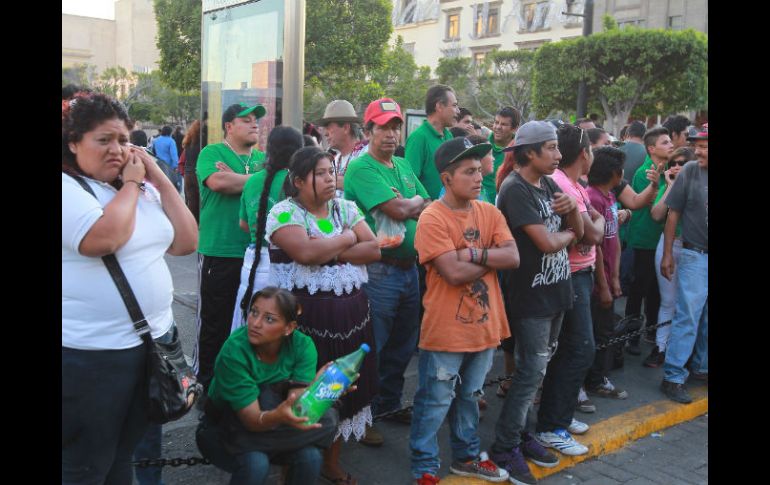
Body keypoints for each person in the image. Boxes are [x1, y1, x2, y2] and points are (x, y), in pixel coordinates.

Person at [62, 92, 198, 485]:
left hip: (152, 346)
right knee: (86, 464)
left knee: (124, 457)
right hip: (94, 358)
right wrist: (134, 185)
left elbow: (186, 241)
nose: (117, 150)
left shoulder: (136, 186)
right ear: (73, 142)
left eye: (123, 140)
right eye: (103, 140)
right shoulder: (69, 188)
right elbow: (103, 238)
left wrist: (155, 174)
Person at [265, 146, 381, 484]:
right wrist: (346, 239)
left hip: (351, 318)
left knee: (343, 391)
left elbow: (373, 249)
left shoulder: (346, 207)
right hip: (306, 321)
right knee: (304, 391)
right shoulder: (285, 213)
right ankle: (292, 469)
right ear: (299, 181)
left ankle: (330, 463)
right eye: (320, 173)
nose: (330, 178)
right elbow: (304, 251)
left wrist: (327, 248)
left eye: (331, 171)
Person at [410, 137, 520, 484]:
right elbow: (452, 274)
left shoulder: (489, 211)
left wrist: (471, 254)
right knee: (434, 402)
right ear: (446, 178)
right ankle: (425, 467)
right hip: (445, 331)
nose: (478, 177)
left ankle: (466, 457)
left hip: (485, 329)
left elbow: (513, 258)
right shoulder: (432, 218)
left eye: (479, 169)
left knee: (470, 397)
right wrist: (490, 257)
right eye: (469, 171)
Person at [491, 121, 583, 485]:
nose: (559, 156)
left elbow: (575, 232)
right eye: (552, 148)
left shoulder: (547, 183)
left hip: (556, 290)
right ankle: (505, 444)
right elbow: (546, 242)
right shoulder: (515, 189)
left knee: (536, 373)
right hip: (530, 296)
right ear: (529, 152)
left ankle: (518, 433)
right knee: (530, 372)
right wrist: (570, 231)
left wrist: (572, 210)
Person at [344, 98, 431, 446]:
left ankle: (388, 406)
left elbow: (428, 203)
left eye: (395, 126)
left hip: (409, 269)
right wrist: (409, 205)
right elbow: (398, 207)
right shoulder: (362, 168)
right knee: (372, 348)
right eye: (383, 127)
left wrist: (409, 205)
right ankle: (361, 417)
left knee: (402, 344)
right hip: (378, 271)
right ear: (367, 132)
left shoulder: (403, 165)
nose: (392, 134)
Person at [201, 287, 338, 485]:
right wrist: (280, 416)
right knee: (256, 463)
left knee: (311, 457)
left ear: (289, 328)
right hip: (226, 428)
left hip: (278, 428)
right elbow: (251, 420)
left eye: (269, 319)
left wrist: (318, 389)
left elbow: (297, 406)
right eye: (254, 312)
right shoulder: (235, 351)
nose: (255, 323)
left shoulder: (302, 346)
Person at [536, 123, 606, 456]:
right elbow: (592, 233)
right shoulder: (562, 184)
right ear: (584, 153)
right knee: (579, 350)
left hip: (580, 273)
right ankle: (552, 426)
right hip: (571, 275)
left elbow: (592, 224)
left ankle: (557, 416)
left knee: (569, 351)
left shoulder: (575, 185)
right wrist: (599, 221)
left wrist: (595, 221)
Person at [195, 102, 268, 392]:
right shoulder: (212, 153)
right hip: (219, 252)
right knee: (215, 321)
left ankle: (237, 384)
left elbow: (277, 184)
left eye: (256, 121)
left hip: (255, 256)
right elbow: (220, 182)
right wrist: (262, 178)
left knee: (251, 323)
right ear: (229, 126)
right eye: (246, 120)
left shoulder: (262, 157)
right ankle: (205, 384)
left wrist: (246, 179)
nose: (255, 125)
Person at [231, 126, 305, 332]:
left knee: (251, 329)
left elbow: (244, 225)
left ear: (269, 150)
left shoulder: (252, 181)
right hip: (283, 265)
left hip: (252, 264)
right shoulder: (297, 182)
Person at [660, 128, 708, 403]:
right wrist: (668, 254)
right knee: (687, 316)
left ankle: (701, 368)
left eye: (704, 146)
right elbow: (672, 213)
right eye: (697, 146)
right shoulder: (689, 171)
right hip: (694, 255)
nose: (698, 151)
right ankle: (673, 376)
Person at [583, 147, 628, 403]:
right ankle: (591, 379)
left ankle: (598, 376)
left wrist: (616, 277)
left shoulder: (609, 197)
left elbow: (614, 241)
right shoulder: (593, 198)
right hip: (595, 280)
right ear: (614, 172)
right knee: (594, 332)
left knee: (605, 330)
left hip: (609, 277)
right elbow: (596, 248)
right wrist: (604, 284)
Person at [645, 146, 694, 368]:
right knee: (668, 301)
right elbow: (656, 215)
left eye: (682, 163)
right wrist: (672, 185)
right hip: (669, 247)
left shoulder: (699, 185)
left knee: (690, 305)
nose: (676, 166)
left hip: (694, 251)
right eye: (673, 162)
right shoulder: (669, 185)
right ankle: (661, 348)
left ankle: (683, 352)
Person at [624, 127, 672, 355]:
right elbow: (654, 208)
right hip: (644, 238)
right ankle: (630, 335)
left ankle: (651, 332)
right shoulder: (646, 173)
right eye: (665, 142)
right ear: (651, 149)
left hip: (659, 238)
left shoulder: (665, 170)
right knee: (639, 288)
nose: (670, 145)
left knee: (655, 290)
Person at [405, 84, 458, 200]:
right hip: (428, 214)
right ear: (439, 106)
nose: (457, 111)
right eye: (454, 105)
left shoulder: (449, 136)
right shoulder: (418, 138)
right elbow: (409, 180)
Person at [318, 100, 367, 198]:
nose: (326, 133)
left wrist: (346, 183)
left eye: (328, 127)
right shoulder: (335, 160)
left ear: (345, 128)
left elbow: (377, 188)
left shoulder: (368, 154)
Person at [484, 107, 521, 204]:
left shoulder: (519, 152)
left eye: (504, 124)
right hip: (481, 208)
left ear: (515, 128)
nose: (498, 127)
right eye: (496, 122)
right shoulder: (481, 147)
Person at [182, 120, 202, 223]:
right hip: (197, 174)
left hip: (187, 175)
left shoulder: (188, 141)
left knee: (192, 202)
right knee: (202, 202)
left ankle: (192, 225)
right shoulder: (203, 141)